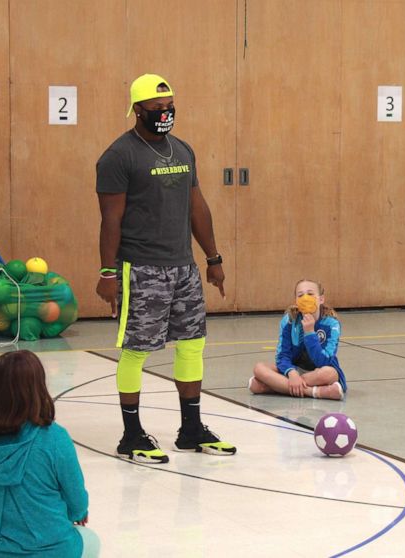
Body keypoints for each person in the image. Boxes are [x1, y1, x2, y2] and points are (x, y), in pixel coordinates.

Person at [95, 73, 235, 463]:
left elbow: (197, 206)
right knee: (137, 351)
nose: (165, 113)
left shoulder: (182, 150)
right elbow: (110, 220)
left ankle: (191, 429)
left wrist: (213, 258)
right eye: (157, 109)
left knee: (192, 346)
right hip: (141, 268)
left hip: (183, 268)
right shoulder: (118, 157)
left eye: (170, 107)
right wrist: (108, 274)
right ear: (137, 111)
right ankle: (132, 434)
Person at [0, 350, 100, 558]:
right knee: (90, 539)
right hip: (54, 551)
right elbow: (77, 500)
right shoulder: (54, 437)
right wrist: (77, 514)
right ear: (38, 390)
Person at [249, 279, 346, 400]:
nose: (305, 298)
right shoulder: (289, 320)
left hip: (318, 373)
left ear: (321, 299)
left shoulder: (332, 324)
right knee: (259, 368)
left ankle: (274, 386)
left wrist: (310, 333)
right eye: (300, 295)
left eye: (310, 294)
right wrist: (292, 373)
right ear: (296, 301)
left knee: (330, 373)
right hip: (294, 370)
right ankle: (315, 392)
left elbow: (324, 362)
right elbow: (282, 356)